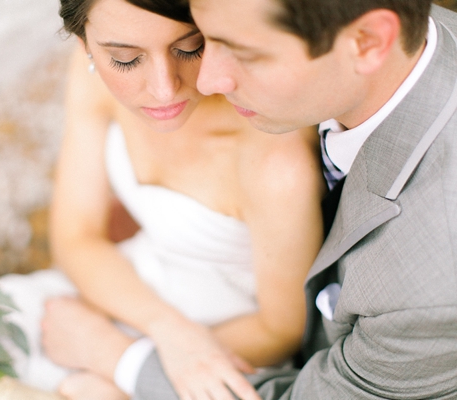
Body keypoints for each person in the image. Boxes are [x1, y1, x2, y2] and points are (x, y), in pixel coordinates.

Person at [88, 0, 457, 398]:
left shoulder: (433, 290)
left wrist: (119, 358)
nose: (207, 81)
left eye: (246, 55)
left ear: (368, 41)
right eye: (204, 41)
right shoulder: (386, 37)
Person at [0, 0, 324, 399]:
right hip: (126, 291)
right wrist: (167, 328)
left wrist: (120, 355)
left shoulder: (274, 161)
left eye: (189, 48)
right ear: (85, 44)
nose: (164, 87)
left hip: (231, 341)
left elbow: (281, 330)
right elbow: (76, 236)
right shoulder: (90, 79)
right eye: (124, 59)